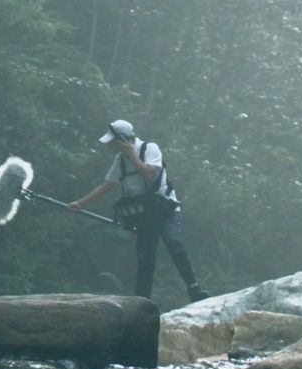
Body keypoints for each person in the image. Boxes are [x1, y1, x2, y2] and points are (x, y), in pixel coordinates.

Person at [69, 119, 209, 303]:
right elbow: (106, 186)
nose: (110, 145)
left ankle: (194, 289)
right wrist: (80, 203)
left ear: (123, 139)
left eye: (113, 141)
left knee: (174, 243)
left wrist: (132, 154)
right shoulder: (120, 160)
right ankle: (143, 301)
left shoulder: (149, 149)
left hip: (165, 208)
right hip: (144, 215)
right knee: (145, 255)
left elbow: (150, 175)